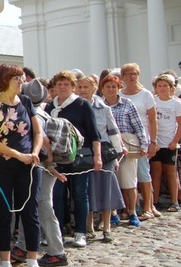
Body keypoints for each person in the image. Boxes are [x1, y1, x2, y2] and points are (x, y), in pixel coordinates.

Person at [0, 64, 44, 267]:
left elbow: (37, 131)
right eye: (17, 78)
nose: (22, 82)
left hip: (28, 166)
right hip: (2, 165)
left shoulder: (27, 102)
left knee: (30, 212)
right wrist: (16, 154)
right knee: (2, 213)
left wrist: (34, 152)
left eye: (22, 78)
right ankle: (5, 261)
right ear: (5, 79)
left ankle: (33, 261)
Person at [12, 79, 69, 267]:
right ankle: (24, 246)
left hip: (42, 166)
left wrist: (50, 164)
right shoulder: (44, 112)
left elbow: (44, 141)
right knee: (29, 205)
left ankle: (56, 251)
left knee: (43, 206)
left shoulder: (33, 114)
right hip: (43, 166)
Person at [45, 71, 102, 249]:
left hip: (79, 156)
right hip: (56, 158)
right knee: (57, 195)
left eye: (66, 84)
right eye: (59, 84)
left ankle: (80, 232)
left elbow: (94, 133)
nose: (62, 87)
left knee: (79, 194)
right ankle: (57, 232)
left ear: (73, 86)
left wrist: (97, 156)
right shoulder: (50, 107)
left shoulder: (82, 104)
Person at [76, 75, 125, 243]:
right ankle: (89, 227)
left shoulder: (103, 108)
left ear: (94, 88)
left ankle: (107, 227)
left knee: (106, 188)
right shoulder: (75, 107)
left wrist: (117, 156)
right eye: (79, 87)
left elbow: (113, 132)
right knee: (88, 189)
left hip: (104, 153)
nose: (82, 90)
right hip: (85, 153)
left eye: (85, 87)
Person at [100, 74, 147, 227]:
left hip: (127, 143)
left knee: (129, 181)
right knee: (111, 181)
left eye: (114, 86)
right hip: (107, 146)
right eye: (108, 87)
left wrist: (144, 144)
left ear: (119, 87)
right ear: (102, 89)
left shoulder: (127, 104)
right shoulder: (99, 105)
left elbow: (138, 125)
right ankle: (113, 213)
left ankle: (133, 211)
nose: (111, 89)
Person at [120, 63, 159, 220]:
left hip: (140, 139)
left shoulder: (145, 95)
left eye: (134, 73)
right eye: (128, 74)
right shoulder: (120, 94)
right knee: (127, 175)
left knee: (143, 173)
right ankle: (131, 207)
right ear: (123, 77)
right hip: (124, 140)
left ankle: (148, 207)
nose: (132, 76)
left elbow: (153, 120)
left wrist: (153, 141)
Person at [150, 73, 181, 212]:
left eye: (165, 86)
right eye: (159, 86)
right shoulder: (153, 101)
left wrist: (175, 141)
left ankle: (174, 201)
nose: (162, 88)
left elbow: (180, 124)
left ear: (171, 87)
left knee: (171, 172)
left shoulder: (176, 103)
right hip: (156, 142)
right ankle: (155, 200)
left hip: (169, 143)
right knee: (156, 172)